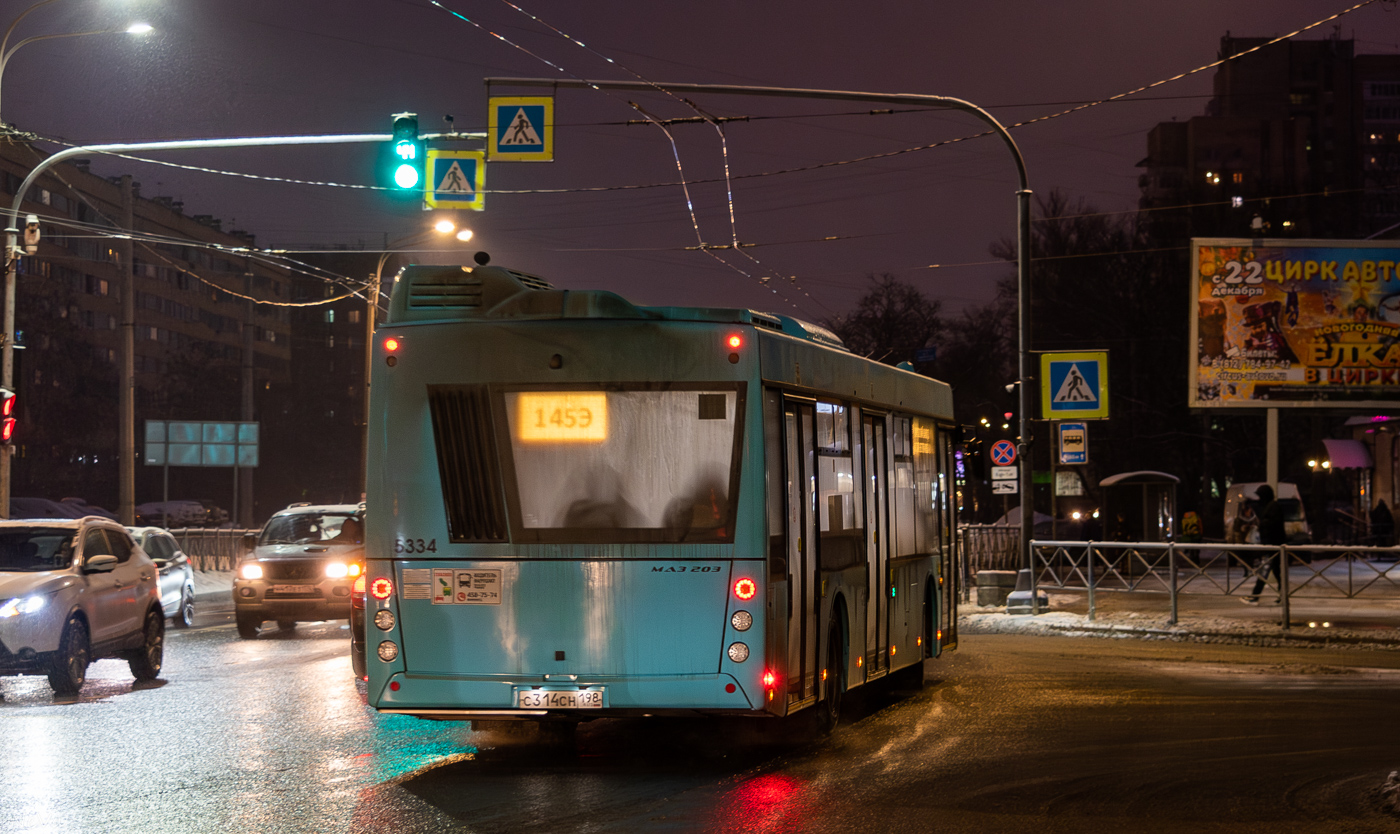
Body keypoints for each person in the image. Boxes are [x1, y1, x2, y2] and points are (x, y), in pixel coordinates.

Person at [1243, 485, 1285, 604]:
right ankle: (1282, 597)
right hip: (1273, 544)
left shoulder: (1273, 506)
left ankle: (1255, 596)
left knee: (1264, 571)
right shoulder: (1270, 506)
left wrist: (1261, 524)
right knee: (1275, 572)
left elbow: (1272, 523)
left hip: (1273, 545)